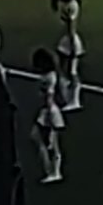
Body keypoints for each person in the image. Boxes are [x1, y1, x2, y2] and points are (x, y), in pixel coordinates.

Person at [30, 48, 64, 184]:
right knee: (40, 139)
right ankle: (51, 170)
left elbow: (49, 97)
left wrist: (49, 118)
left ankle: (54, 172)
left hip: (49, 111)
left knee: (51, 143)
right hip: (47, 111)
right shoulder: (49, 75)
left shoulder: (49, 77)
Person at [50, 0, 84, 112]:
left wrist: (72, 45)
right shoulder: (65, 4)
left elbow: (72, 27)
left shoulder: (71, 5)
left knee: (72, 71)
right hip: (66, 39)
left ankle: (74, 100)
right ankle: (66, 95)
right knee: (62, 68)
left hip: (70, 40)